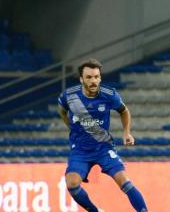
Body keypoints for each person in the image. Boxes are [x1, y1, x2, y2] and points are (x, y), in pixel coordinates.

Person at [57, 58, 148, 212]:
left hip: (103, 147)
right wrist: (71, 127)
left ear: (100, 77)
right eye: (89, 77)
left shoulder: (109, 94)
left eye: (96, 77)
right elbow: (62, 111)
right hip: (80, 150)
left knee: (124, 181)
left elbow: (124, 111)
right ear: (81, 79)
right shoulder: (68, 96)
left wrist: (126, 132)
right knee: (71, 183)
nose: (93, 81)